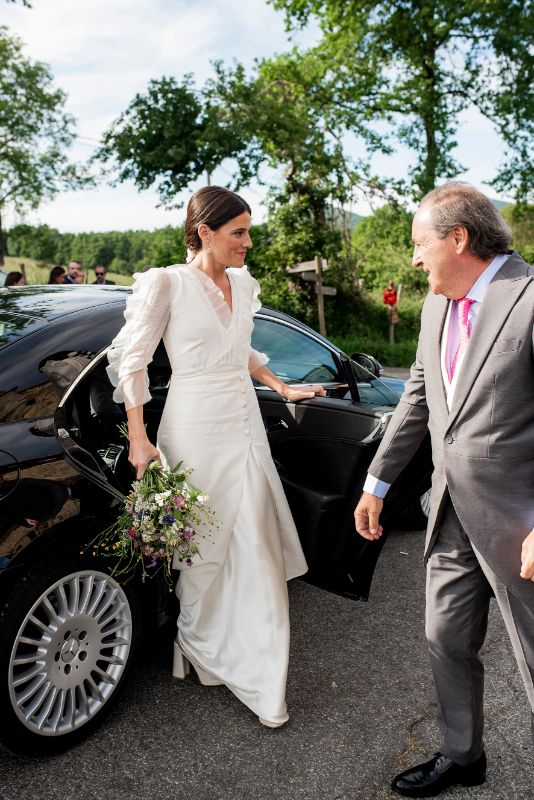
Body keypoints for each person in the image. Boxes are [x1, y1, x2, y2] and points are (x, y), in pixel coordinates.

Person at [107, 185, 325, 728]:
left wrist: (281, 385)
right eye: (238, 233)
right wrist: (139, 437)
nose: (248, 243)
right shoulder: (168, 283)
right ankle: (197, 641)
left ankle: (262, 677)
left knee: (257, 548)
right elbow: (133, 361)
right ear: (204, 232)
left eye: (249, 232)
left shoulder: (244, 283)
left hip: (244, 425)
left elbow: (240, 347)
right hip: (193, 430)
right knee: (204, 551)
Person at [354, 182, 534, 797]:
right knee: (445, 639)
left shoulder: (529, 296)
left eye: (418, 244)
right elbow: (417, 400)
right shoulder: (436, 305)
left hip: (520, 522)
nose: (413, 259)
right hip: (450, 512)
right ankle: (463, 757)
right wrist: (377, 483)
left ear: (458, 238)